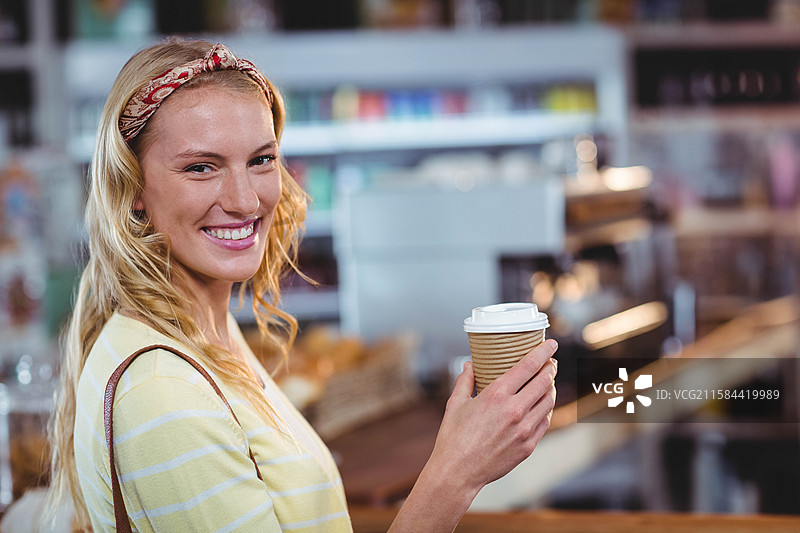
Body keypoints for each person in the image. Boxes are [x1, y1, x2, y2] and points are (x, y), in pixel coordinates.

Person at [47, 39, 559, 532]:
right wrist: (455, 473)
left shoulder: (202, 332)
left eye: (261, 160)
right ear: (132, 186)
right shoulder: (162, 390)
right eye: (201, 167)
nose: (246, 201)